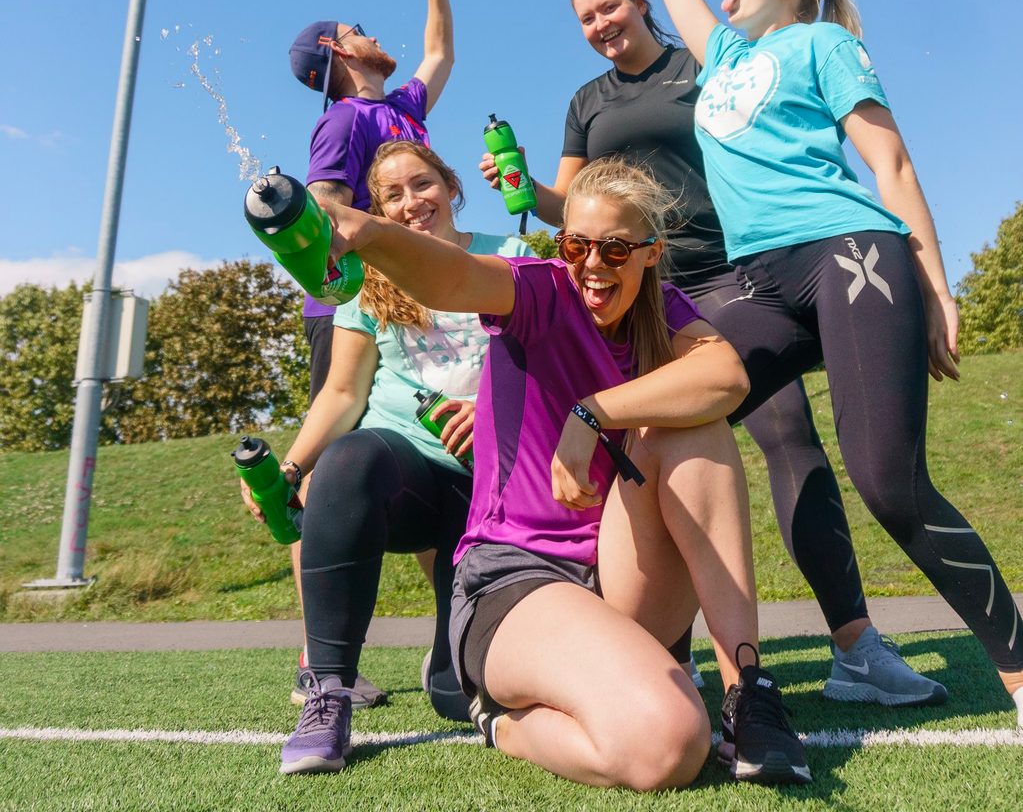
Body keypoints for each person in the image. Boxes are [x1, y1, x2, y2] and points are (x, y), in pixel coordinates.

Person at [479, 0, 945, 706]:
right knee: (642, 441)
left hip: (729, 276)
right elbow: (566, 206)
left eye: (609, 7)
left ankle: (854, 644)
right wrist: (522, 187)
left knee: (787, 434)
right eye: (585, 18)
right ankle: (667, 650)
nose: (599, 25)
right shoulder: (585, 103)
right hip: (639, 291)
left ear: (640, 3)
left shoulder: (705, 58)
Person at [649, 0, 1023, 729]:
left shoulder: (822, 42)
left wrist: (934, 285)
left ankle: (1017, 671)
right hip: (758, 281)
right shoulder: (724, 60)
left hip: (848, 253)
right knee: (664, 412)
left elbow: (887, 160)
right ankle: (661, 661)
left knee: (888, 481)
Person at [292, 157, 812, 789]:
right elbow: (453, 278)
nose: (592, 265)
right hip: (516, 579)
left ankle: (747, 691)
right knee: (671, 746)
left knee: (695, 425)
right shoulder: (540, 289)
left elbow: (727, 377)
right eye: (576, 245)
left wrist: (591, 412)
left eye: (616, 249)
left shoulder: (667, 311)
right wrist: (368, 231)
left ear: (651, 254)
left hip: (616, 574)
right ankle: (498, 720)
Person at [243, 142, 533, 770]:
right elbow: (343, 391)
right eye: (392, 195)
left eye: (422, 185)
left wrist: (492, 410)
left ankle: (450, 653)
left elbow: (552, 364)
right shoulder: (368, 277)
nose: (410, 203)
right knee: (346, 460)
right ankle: (327, 692)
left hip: (494, 482)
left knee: (460, 697)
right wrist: (291, 466)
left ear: (451, 186)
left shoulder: (512, 254)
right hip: (408, 469)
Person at [284, 0, 454, 706]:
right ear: (335, 49)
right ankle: (315, 662)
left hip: (414, 294)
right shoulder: (346, 121)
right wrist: (375, 255)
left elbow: (439, 52)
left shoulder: (400, 109)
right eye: (357, 27)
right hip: (350, 307)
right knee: (331, 464)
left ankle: (454, 628)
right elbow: (320, 208)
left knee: (427, 452)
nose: (370, 32)